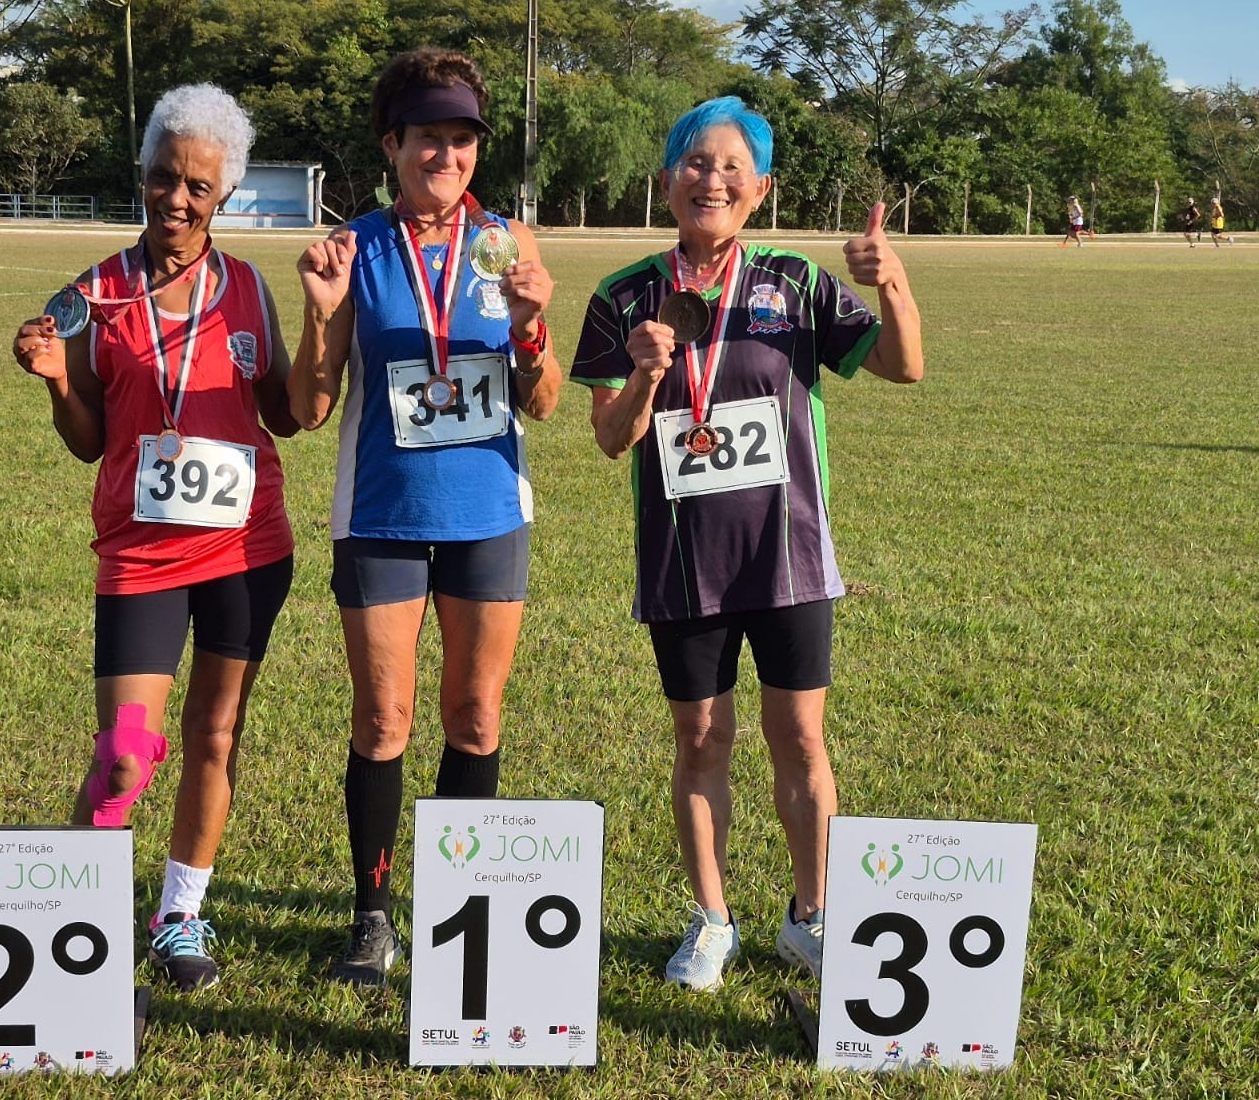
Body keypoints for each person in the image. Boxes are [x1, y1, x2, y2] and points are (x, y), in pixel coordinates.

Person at [570, 97, 923, 989]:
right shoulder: (622, 297)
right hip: (684, 563)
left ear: (759, 188)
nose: (711, 180)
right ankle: (713, 919)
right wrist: (647, 373)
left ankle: (811, 914)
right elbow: (612, 439)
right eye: (694, 163)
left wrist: (893, 281)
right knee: (700, 740)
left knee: (800, 737)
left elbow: (903, 365)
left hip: (790, 555)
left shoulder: (796, 283)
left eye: (732, 167)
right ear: (666, 181)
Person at [11, 83, 299, 992]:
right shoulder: (91, 295)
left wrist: (328, 320)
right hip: (140, 557)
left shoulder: (248, 286)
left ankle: (179, 913)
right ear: (140, 175)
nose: (178, 200)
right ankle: (73, 910)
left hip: (248, 552)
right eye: (163, 178)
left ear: (225, 197)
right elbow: (90, 441)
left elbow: (287, 415)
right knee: (125, 753)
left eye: (199, 188)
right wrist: (59, 381)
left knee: (215, 735)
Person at [291, 46, 562, 986]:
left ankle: (461, 909)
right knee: (384, 718)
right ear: (391, 144)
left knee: (476, 716)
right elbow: (311, 405)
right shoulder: (353, 247)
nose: (444, 156)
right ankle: (372, 915)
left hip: (489, 512)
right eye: (426, 139)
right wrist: (323, 313)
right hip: (381, 515)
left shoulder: (512, 245)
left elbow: (546, 399)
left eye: (460, 140)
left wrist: (530, 325)